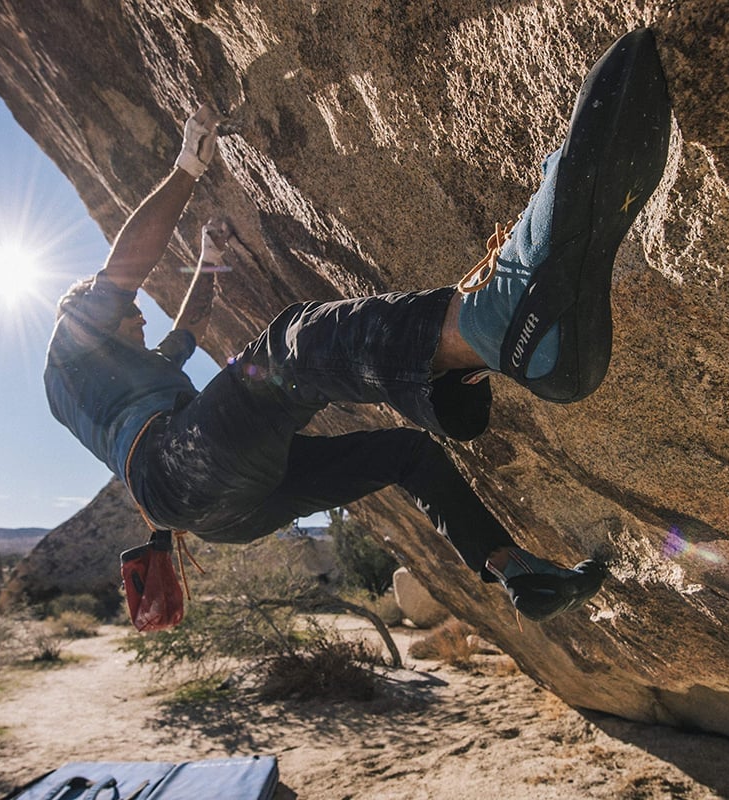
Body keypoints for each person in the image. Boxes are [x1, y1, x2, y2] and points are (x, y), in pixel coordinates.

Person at [45, 30, 670, 622]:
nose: (138, 317)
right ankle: (495, 324)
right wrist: (186, 166)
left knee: (404, 455)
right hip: (178, 468)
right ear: (90, 314)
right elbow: (123, 269)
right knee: (289, 348)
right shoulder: (71, 344)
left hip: (223, 509)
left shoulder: (132, 373)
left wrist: (210, 257)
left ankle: (513, 570)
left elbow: (188, 327)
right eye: (127, 314)